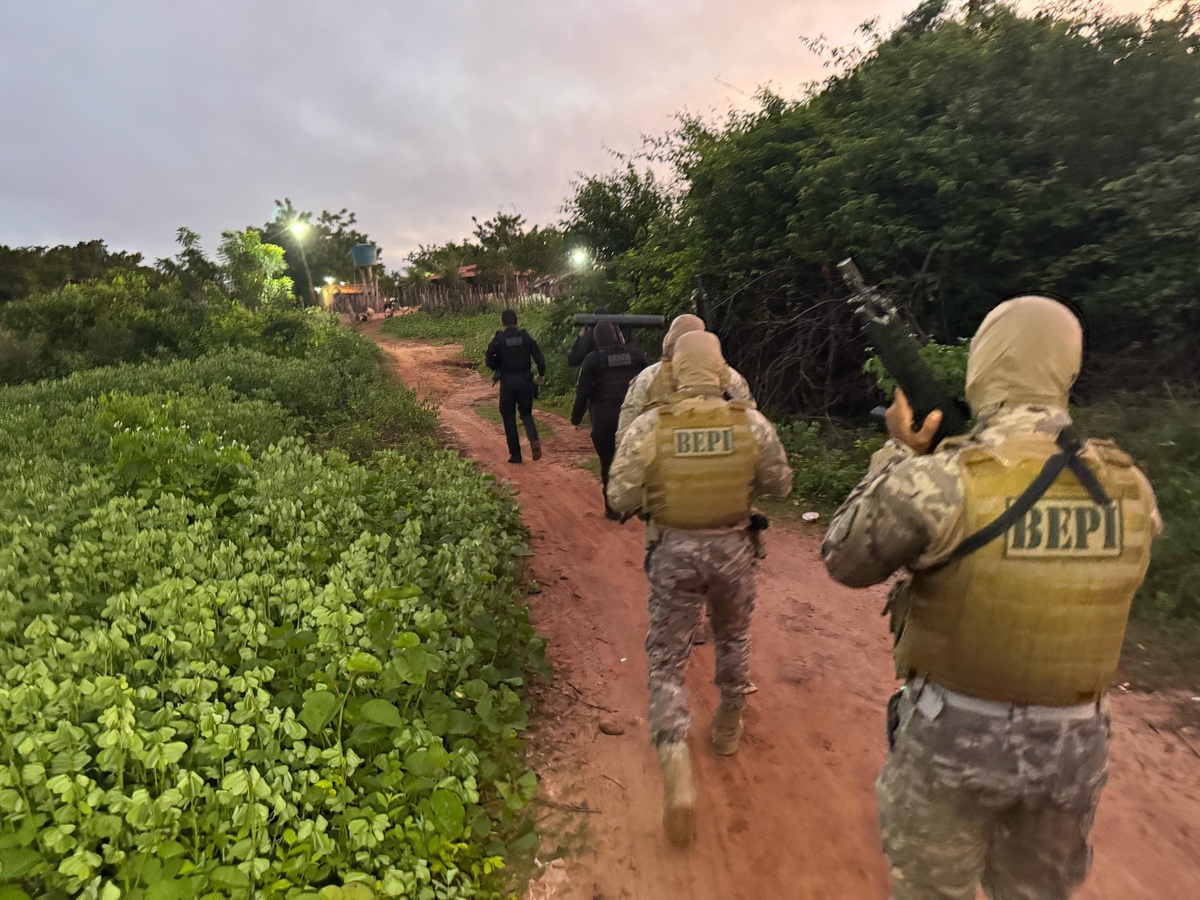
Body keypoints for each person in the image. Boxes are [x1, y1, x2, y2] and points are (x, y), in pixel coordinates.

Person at [821, 296, 1161, 900]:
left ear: (985, 364)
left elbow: (844, 559)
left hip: (953, 734)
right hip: (1074, 745)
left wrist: (900, 453)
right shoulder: (1129, 484)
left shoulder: (945, 478)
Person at [606, 331, 793, 849]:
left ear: (674, 370)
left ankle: (676, 767)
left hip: (673, 551)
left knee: (668, 659)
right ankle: (729, 721)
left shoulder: (652, 426)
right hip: (734, 548)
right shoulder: (750, 423)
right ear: (718, 370)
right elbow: (781, 485)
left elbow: (618, 492)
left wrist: (655, 493)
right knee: (733, 635)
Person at [616, 314, 755, 450]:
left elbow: (626, 428)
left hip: (664, 461)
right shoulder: (728, 375)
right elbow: (752, 421)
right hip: (720, 457)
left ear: (669, 340)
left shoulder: (647, 377)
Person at [571, 321, 647, 519]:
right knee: (636, 458)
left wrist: (576, 418)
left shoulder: (593, 359)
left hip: (604, 417)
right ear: (617, 336)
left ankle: (612, 507)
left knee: (607, 461)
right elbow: (648, 381)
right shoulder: (635, 354)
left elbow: (583, 391)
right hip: (631, 416)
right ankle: (639, 502)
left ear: (597, 340)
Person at [485, 309, 546, 464]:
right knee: (526, 413)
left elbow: (489, 361)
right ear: (517, 322)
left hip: (507, 383)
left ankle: (516, 455)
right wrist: (541, 374)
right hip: (525, 381)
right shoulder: (525, 337)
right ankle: (534, 439)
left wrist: (497, 364)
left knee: (508, 416)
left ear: (502, 323)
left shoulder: (498, 340)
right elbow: (539, 358)